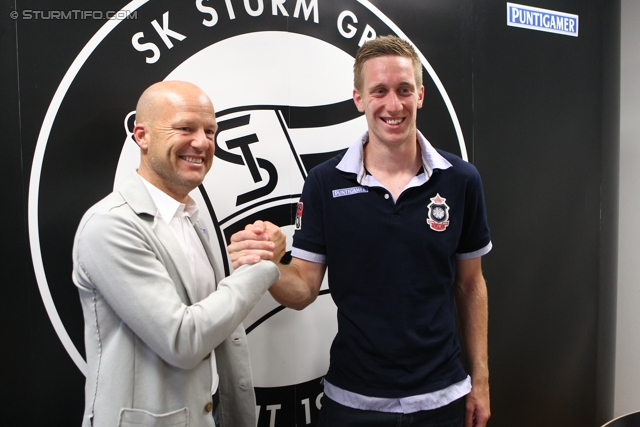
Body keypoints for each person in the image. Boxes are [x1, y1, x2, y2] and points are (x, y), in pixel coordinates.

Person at [228, 35, 491, 427]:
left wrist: (481, 380)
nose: (393, 104)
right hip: (353, 401)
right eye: (379, 91)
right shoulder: (324, 183)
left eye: (404, 90)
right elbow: (302, 289)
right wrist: (268, 264)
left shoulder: (461, 180)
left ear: (420, 94)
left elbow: (471, 285)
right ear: (359, 99)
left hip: (442, 397)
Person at [72, 81, 282, 427]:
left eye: (210, 131)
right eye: (185, 128)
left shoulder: (192, 218)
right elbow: (182, 340)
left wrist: (251, 253)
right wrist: (261, 267)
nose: (202, 142)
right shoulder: (109, 226)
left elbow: (209, 315)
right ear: (142, 135)